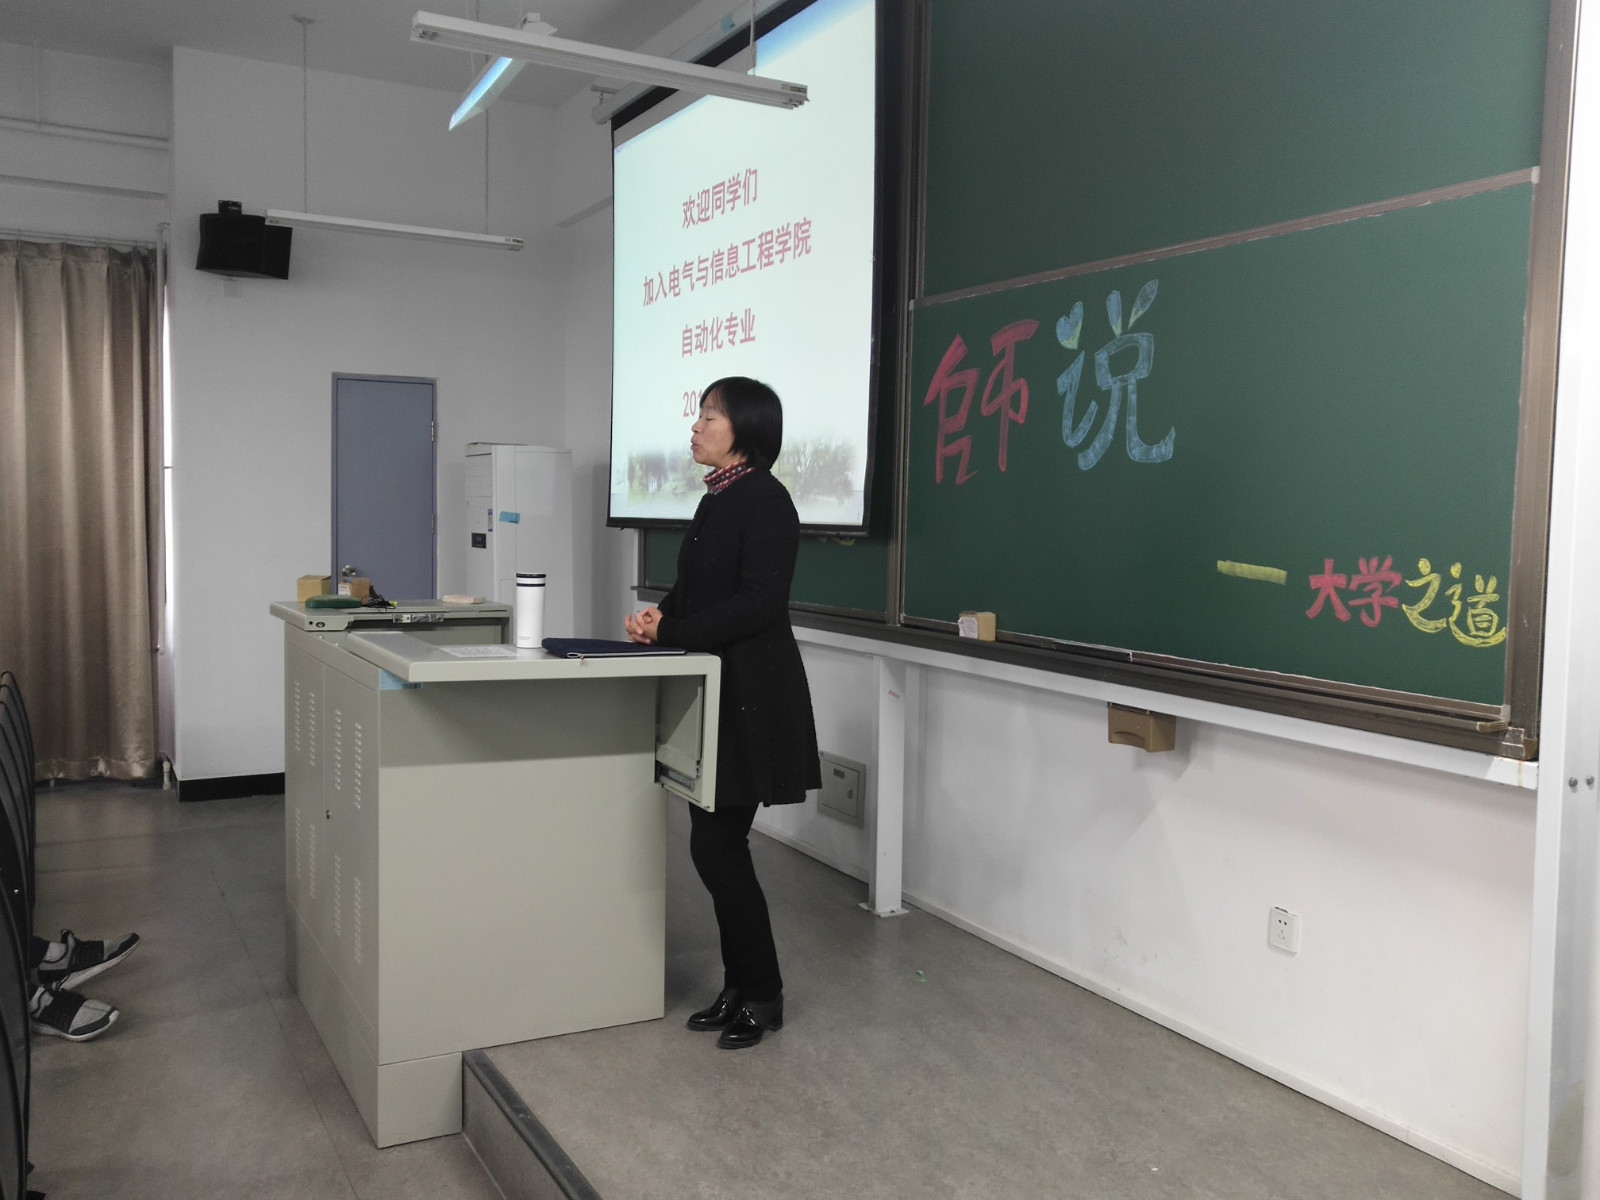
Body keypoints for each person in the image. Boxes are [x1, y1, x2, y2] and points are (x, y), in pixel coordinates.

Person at [625, 377, 821, 1050]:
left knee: (716, 846)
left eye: (710, 416)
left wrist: (677, 632)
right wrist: (659, 618)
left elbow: (759, 603)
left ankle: (763, 994)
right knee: (715, 844)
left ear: (746, 429)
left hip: (753, 696)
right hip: (718, 688)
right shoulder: (717, 499)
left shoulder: (766, 500)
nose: (696, 426)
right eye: (700, 415)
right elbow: (696, 589)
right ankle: (740, 989)